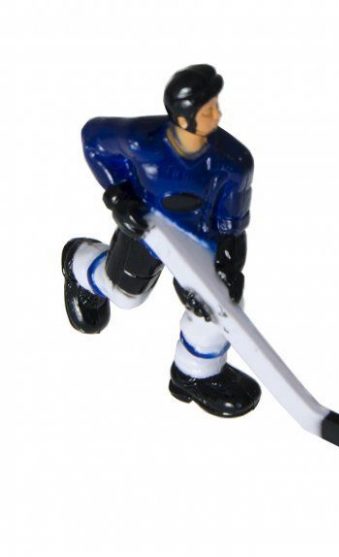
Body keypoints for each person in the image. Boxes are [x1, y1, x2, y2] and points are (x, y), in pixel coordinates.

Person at [61, 64, 261, 418]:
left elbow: (232, 226)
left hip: (200, 242)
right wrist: (119, 197)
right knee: (125, 296)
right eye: (208, 110)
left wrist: (230, 268)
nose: (218, 115)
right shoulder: (142, 140)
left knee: (221, 308)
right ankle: (79, 263)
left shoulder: (233, 162)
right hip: (147, 231)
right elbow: (93, 139)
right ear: (182, 118)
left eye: (215, 105)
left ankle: (195, 374)